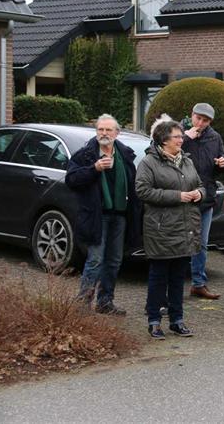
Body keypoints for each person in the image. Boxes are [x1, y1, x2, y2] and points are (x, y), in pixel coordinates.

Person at [136, 116, 205, 339]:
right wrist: (178, 196)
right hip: (162, 230)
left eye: (181, 136)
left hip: (185, 228)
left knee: (178, 278)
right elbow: (143, 191)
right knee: (158, 277)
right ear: (164, 140)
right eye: (177, 136)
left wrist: (199, 194)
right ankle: (154, 321)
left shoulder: (186, 161)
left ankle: (177, 320)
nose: (181, 140)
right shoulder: (149, 162)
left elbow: (200, 184)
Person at [65, 114, 141, 315]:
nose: (104, 133)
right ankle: (82, 305)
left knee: (114, 261)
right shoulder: (85, 155)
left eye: (108, 130)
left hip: (120, 215)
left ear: (117, 133)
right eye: (100, 129)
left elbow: (133, 186)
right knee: (95, 260)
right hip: (97, 216)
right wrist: (94, 169)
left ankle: (105, 302)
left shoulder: (125, 155)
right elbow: (71, 180)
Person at [181, 102, 224, 300]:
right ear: (191, 115)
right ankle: (173, 287)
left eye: (205, 120)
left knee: (201, 243)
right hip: (182, 198)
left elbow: (221, 164)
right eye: (198, 118)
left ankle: (198, 284)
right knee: (180, 243)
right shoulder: (177, 133)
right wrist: (185, 138)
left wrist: (222, 163)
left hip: (205, 198)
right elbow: (162, 155)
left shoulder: (215, 137)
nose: (200, 123)